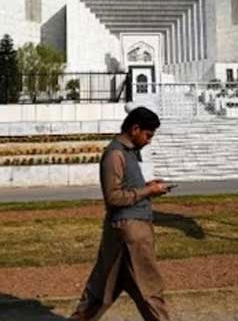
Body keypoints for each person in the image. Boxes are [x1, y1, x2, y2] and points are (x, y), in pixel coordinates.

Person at [70, 106, 170, 321]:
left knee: (102, 292)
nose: (149, 140)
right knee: (150, 291)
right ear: (135, 129)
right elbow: (114, 197)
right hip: (129, 231)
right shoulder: (115, 154)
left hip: (128, 229)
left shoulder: (128, 152)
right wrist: (148, 191)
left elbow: (126, 188)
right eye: (148, 135)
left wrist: (147, 187)